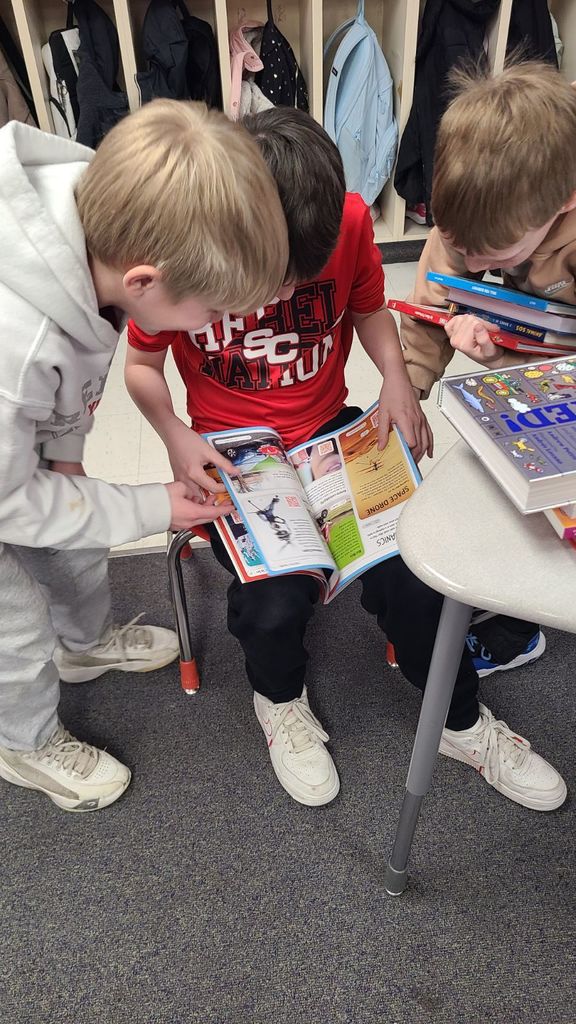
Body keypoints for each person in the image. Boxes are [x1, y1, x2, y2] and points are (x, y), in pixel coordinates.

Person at [126, 106, 566, 812]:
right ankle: (280, 704)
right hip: (231, 449)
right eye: (269, 279)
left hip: (330, 432)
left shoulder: (350, 221)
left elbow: (368, 309)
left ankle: (458, 721)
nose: (281, 295)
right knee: (273, 601)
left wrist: (395, 377)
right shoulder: (189, 243)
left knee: (420, 573)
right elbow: (142, 369)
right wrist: (176, 435)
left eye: (298, 283)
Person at [0, 100, 289, 813]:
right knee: (13, 628)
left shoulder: (95, 225)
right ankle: (25, 743)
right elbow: (10, 500)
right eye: (212, 313)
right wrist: (152, 503)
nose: (217, 328)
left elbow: (74, 378)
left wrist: (65, 456)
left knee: (74, 546)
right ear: (143, 283)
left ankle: (85, 644)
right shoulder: (17, 343)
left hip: (17, 436)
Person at [398, 59, 576, 676]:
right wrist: (411, 386)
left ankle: (525, 621)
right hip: (536, 354)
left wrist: (510, 354)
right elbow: (434, 293)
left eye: (491, 254)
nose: (471, 258)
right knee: (504, 482)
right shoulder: (482, 204)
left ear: (563, 204)